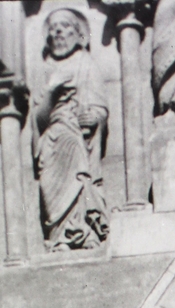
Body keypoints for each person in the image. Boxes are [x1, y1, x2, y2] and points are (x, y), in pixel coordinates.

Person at [32, 8, 108, 252]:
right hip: (52, 139)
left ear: (78, 34)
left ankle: (80, 231)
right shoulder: (43, 69)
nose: (58, 33)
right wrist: (51, 91)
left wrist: (95, 117)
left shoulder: (86, 65)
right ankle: (58, 236)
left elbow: (99, 106)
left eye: (64, 27)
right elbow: (38, 119)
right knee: (51, 188)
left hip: (76, 138)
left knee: (78, 172)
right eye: (53, 29)